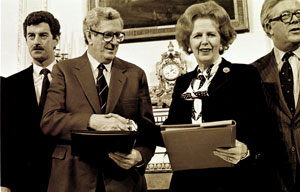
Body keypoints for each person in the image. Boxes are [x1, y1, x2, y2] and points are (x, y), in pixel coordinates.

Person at [162, 1, 280, 191]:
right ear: (188, 42)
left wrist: (246, 149)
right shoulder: (182, 82)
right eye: (197, 35)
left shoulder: (244, 75)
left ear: (222, 39)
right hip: (188, 182)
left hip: (233, 180)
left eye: (211, 34)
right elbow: (171, 128)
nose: (204, 41)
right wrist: (133, 127)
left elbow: (265, 128)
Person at [40, 7, 157, 192]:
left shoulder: (135, 74)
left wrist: (138, 157)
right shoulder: (64, 70)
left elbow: (149, 131)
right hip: (73, 179)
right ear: (89, 36)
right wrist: (92, 121)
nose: (114, 42)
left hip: (122, 181)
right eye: (108, 35)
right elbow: (49, 120)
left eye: (119, 36)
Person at [1, 11, 61, 192]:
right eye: (31, 36)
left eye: (43, 35)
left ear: (56, 39)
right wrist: (4, 183)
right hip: (24, 181)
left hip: (65, 178)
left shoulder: (73, 80)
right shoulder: (9, 85)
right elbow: (5, 139)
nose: (36, 41)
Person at [252, 0, 300, 191]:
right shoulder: (253, 73)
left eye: (298, 14)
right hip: (275, 178)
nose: (295, 20)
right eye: (286, 16)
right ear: (268, 27)